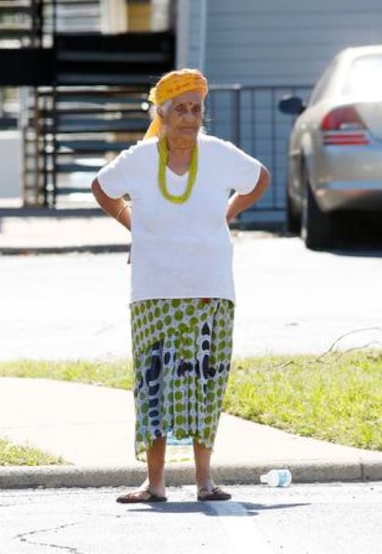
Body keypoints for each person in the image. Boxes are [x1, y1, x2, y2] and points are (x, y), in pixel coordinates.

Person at [90, 68, 270, 503]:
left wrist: (226, 213)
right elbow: (102, 187)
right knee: (154, 381)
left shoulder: (218, 153)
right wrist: (129, 221)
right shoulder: (141, 156)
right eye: (180, 110)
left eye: (196, 109)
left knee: (206, 378)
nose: (189, 118)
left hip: (210, 284)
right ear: (163, 114)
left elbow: (260, 178)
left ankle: (204, 480)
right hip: (153, 287)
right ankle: (154, 483)